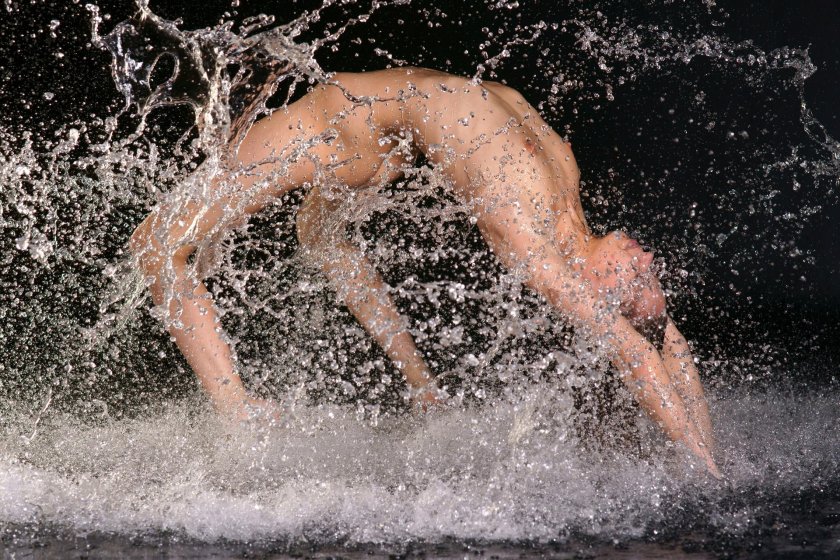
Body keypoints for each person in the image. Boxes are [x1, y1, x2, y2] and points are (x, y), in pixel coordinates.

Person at [130, 66, 721, 477]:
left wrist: (705, 471)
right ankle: (417, 389)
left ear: (593, 292)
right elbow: (658, 341)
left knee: (154, 246)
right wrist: (711, 460)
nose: (647, 261)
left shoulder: (527, 232)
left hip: (340, 128)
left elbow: (643, 349)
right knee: (310, 234)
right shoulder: (561, 185)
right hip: (374, 129)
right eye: (647, 269)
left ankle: (241, 410)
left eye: (636, 282)